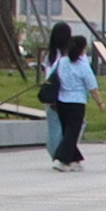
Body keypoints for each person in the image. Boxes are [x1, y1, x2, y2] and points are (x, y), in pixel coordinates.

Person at [43, 28, 96, 171]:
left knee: (64, 131)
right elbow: (90, 83)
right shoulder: (79, 61)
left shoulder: (54, 57)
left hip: (58, 99)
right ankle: (61, 158)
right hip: (77, 101)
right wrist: (99, 101)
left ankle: (74, 159)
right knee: (71, 133)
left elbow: (50, 76)